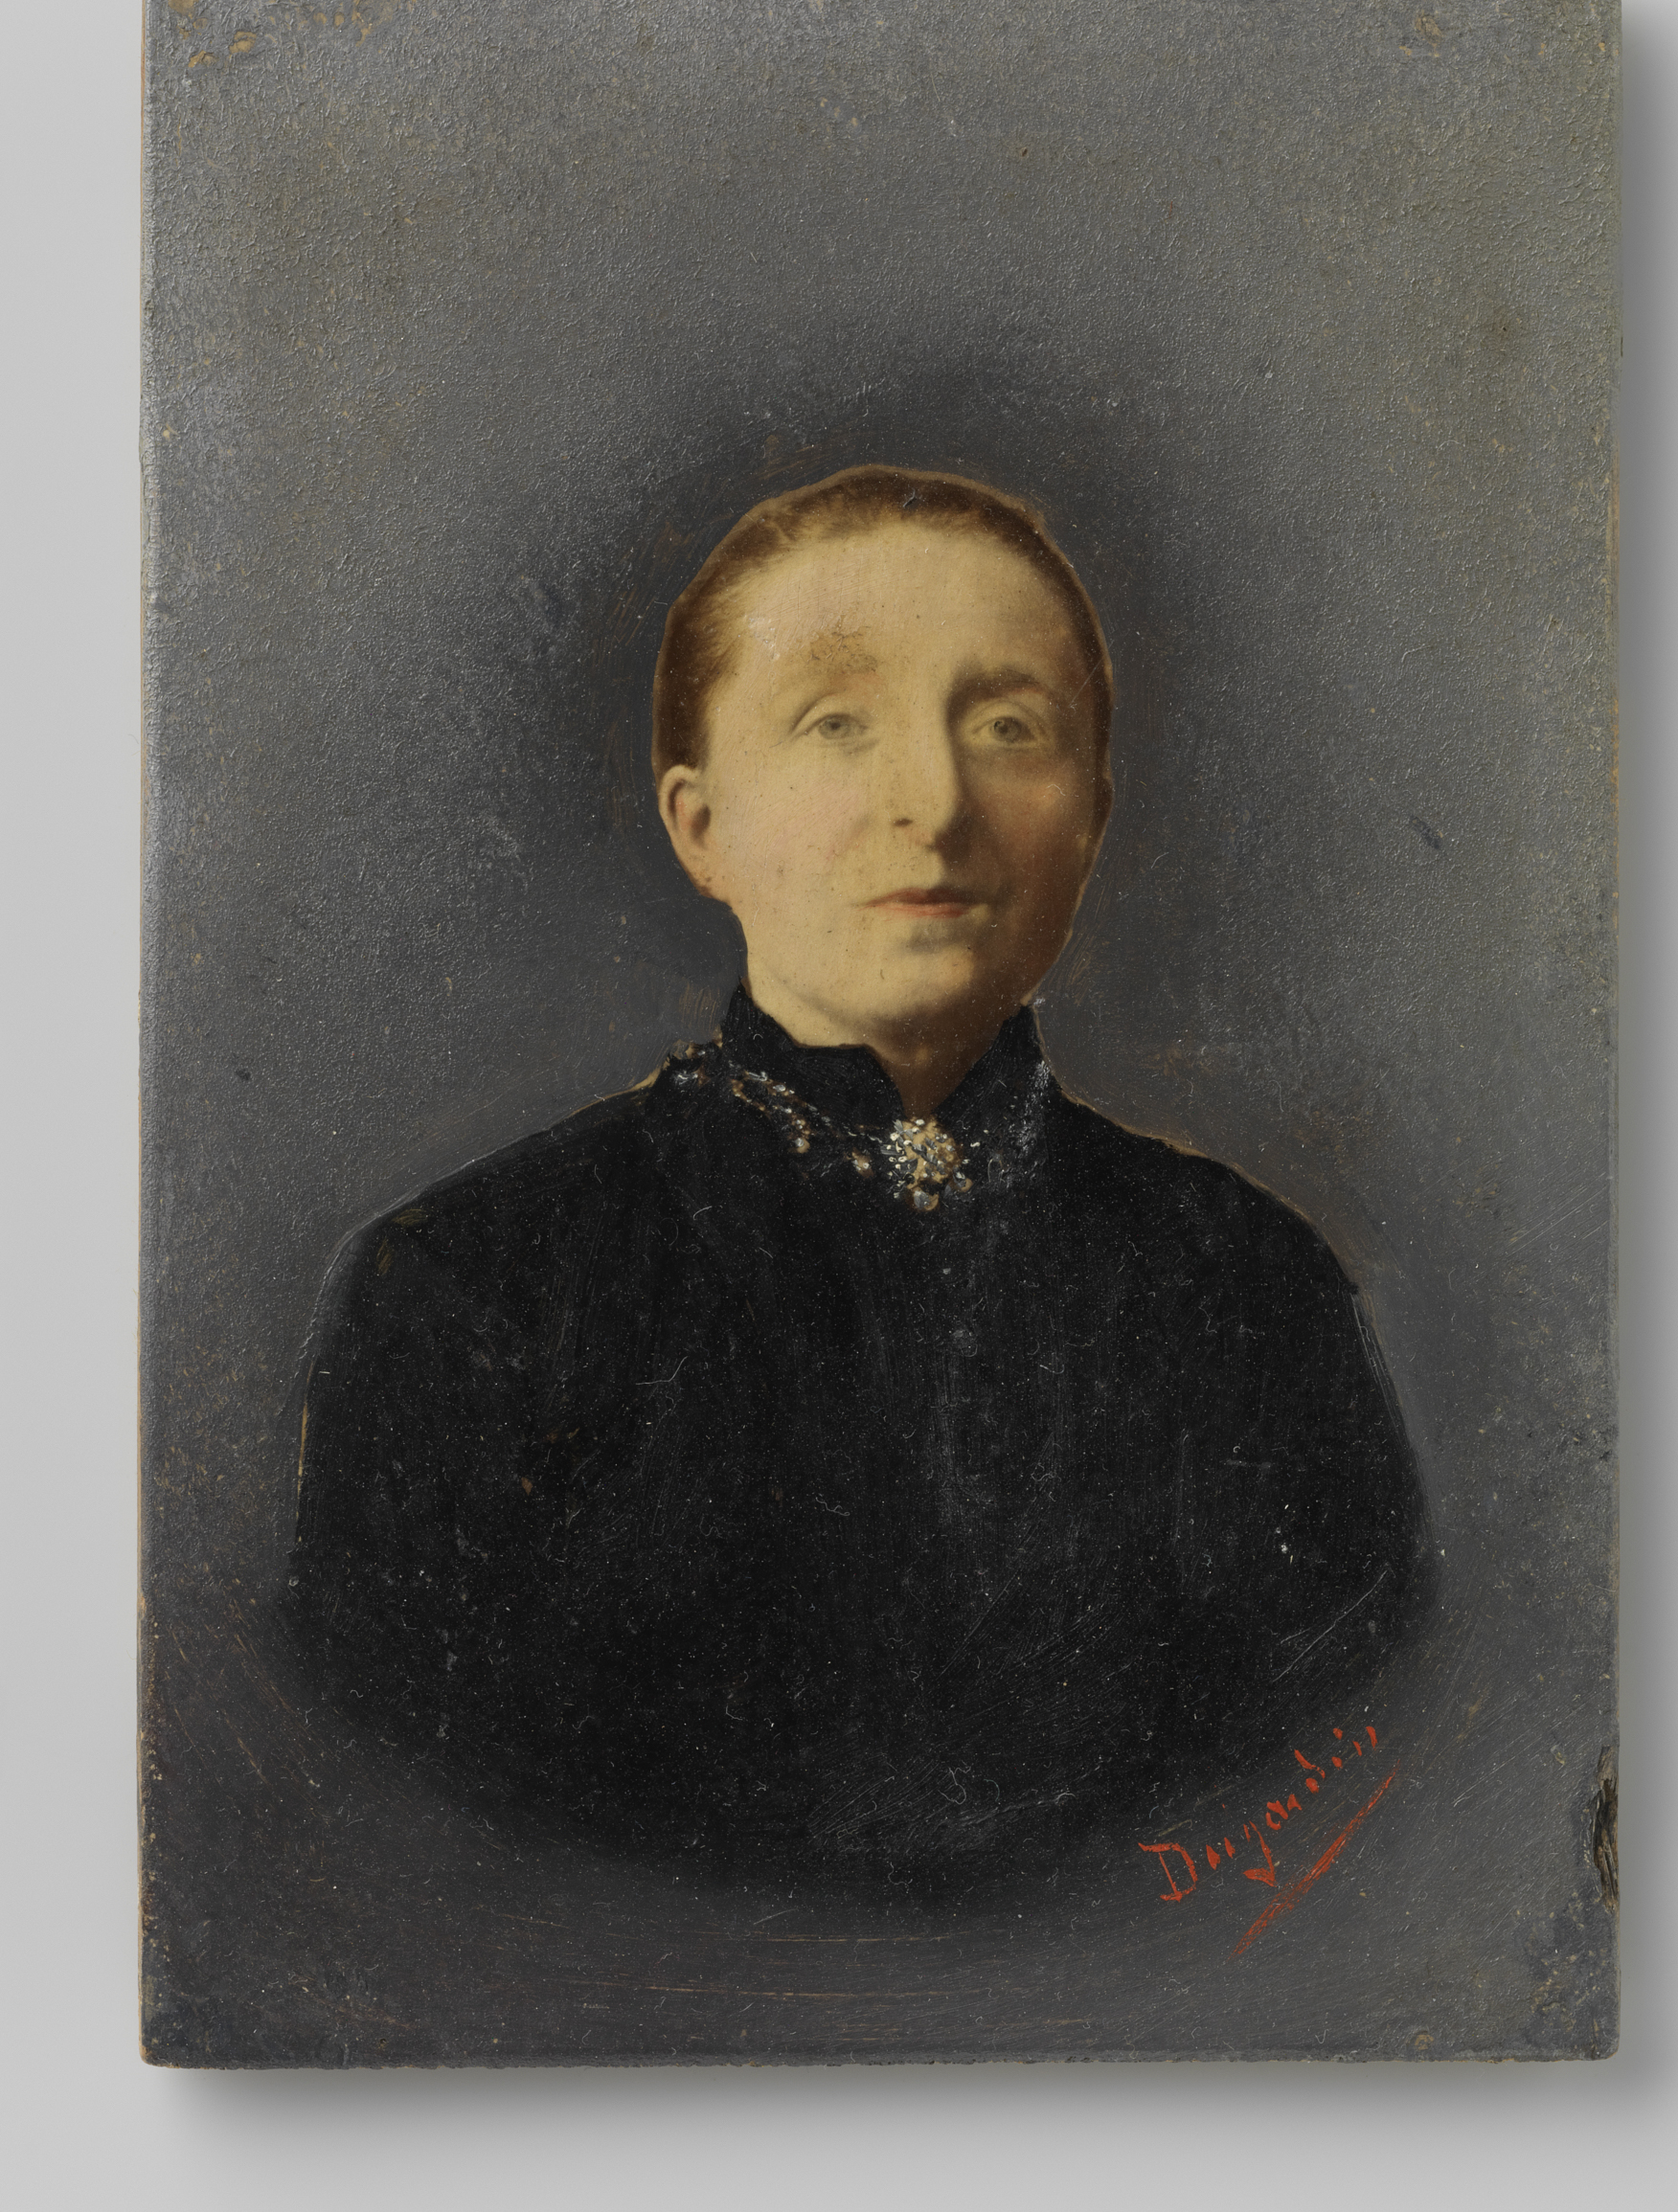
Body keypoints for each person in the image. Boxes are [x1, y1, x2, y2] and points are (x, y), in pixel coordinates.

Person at [285, 464, 1433, 1891]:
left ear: (1092, 810)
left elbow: (1342, 1793)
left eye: (1010, 727)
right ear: (700, 824)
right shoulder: (470, 1288)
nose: (935, 804)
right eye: (836, 723)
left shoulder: (1249, 1286)